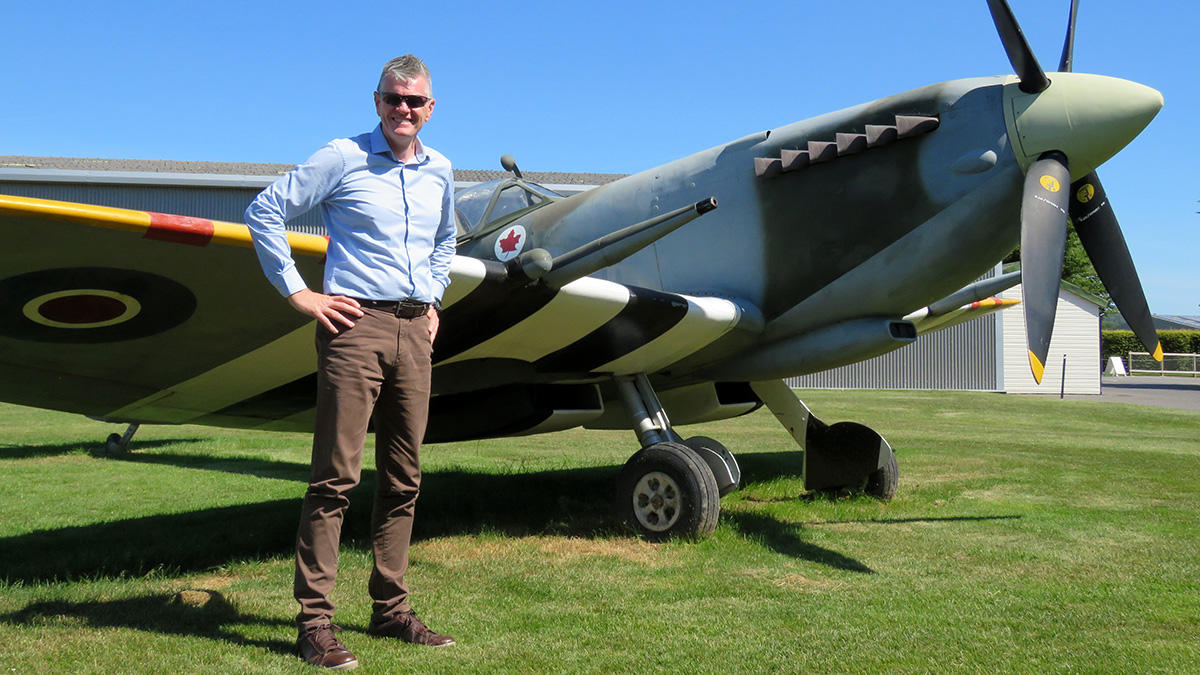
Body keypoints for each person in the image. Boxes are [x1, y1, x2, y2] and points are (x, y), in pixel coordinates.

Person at [245, 54, 457, 670]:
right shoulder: (343, 157)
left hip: (415, 331)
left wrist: (434, 296)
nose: (404, 110)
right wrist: (300, 294)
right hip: (354, 328)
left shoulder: (440, 169)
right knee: (334, 478)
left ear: (431, 107)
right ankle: (314, 623)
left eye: (415, 101)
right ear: (377, 101)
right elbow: (266, 210)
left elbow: (446, 238)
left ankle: (390, 610)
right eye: (394, 99)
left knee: (404, 478)